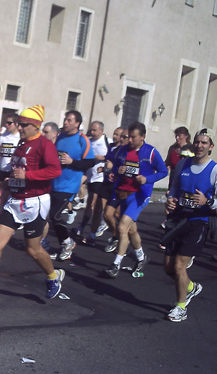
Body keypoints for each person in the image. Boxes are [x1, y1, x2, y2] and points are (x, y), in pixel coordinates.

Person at [0, 105, 64, 305]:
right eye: (19, 124)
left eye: (24, 125)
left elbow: (55, 170)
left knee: (32, 249)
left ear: (36, 126)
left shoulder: (45, 145)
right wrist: (11, 182)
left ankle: (53, 276)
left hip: (35, 203)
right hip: (15, 201)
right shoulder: (21, 143)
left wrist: (28, 176)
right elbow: (18, 169)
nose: (20, 127)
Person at [162, 129, 215, 322]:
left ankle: (180, 307)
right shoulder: (183, 164)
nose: (200, 145)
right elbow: (174, 189)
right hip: (178, 220)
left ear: (211, 147)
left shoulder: (214, 170)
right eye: (197, 142)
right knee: (168, 267)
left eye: (204, 143)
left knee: (178, 266)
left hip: (198, 222)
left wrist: (207, 202)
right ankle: (192, 288)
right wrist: (170, 200)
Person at [104, 122, 167, 278]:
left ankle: (116, 264)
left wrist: (147, 179)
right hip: (122, 193)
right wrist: (116, 170)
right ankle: (141, 257)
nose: (129, 140)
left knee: (122, 227)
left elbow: (163, 171)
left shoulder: (151, 152)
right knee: (131, 230)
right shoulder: (123, 150)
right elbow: (114, 167)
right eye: (128, 137)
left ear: (142, 137)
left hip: (139, 195)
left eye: (133, 137)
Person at [48, 110, 94, 261]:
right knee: (50, 215)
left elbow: (90, 162)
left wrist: (72, 162)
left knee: (55, 215)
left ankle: (68, 243)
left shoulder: (82, 140)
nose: (65, 122)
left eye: (69, 120)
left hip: (69, 185)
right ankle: (61, 244)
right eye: (65, 120)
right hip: (54, 182)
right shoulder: (60, 136)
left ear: (77, 124)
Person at [72, 121, 110, 246]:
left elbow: (111, 158)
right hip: (91, 176)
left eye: (94, 130)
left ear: (101, 131)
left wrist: (103, 161)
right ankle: (82, 227)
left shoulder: (107, 142)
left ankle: (95, 230)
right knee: (90, 205)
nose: (92, 132)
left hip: (101, 178)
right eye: (91, 130)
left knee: (95, 205)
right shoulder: (88, 142)